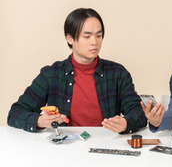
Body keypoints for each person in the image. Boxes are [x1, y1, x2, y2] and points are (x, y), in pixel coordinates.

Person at [7, 8, 147, 134]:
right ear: (70, 38)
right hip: (64, 148)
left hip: (105, 146)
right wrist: (39, 121)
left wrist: (126, 123)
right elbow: (15, 113)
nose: (94, 42)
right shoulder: (51, 75)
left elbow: (138, 113)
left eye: (99, 36)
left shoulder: (118, 73)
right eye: (87, 36)